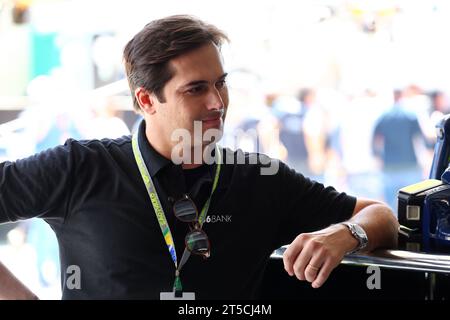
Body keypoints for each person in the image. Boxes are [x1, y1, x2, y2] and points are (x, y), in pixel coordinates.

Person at [0, 15, 398, 300]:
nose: (217, 102)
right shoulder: (81, 168)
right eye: (195, 89)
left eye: (220, 84)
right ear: (145, 100)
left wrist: (346, 235)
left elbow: (381, 214)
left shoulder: (259, 178)